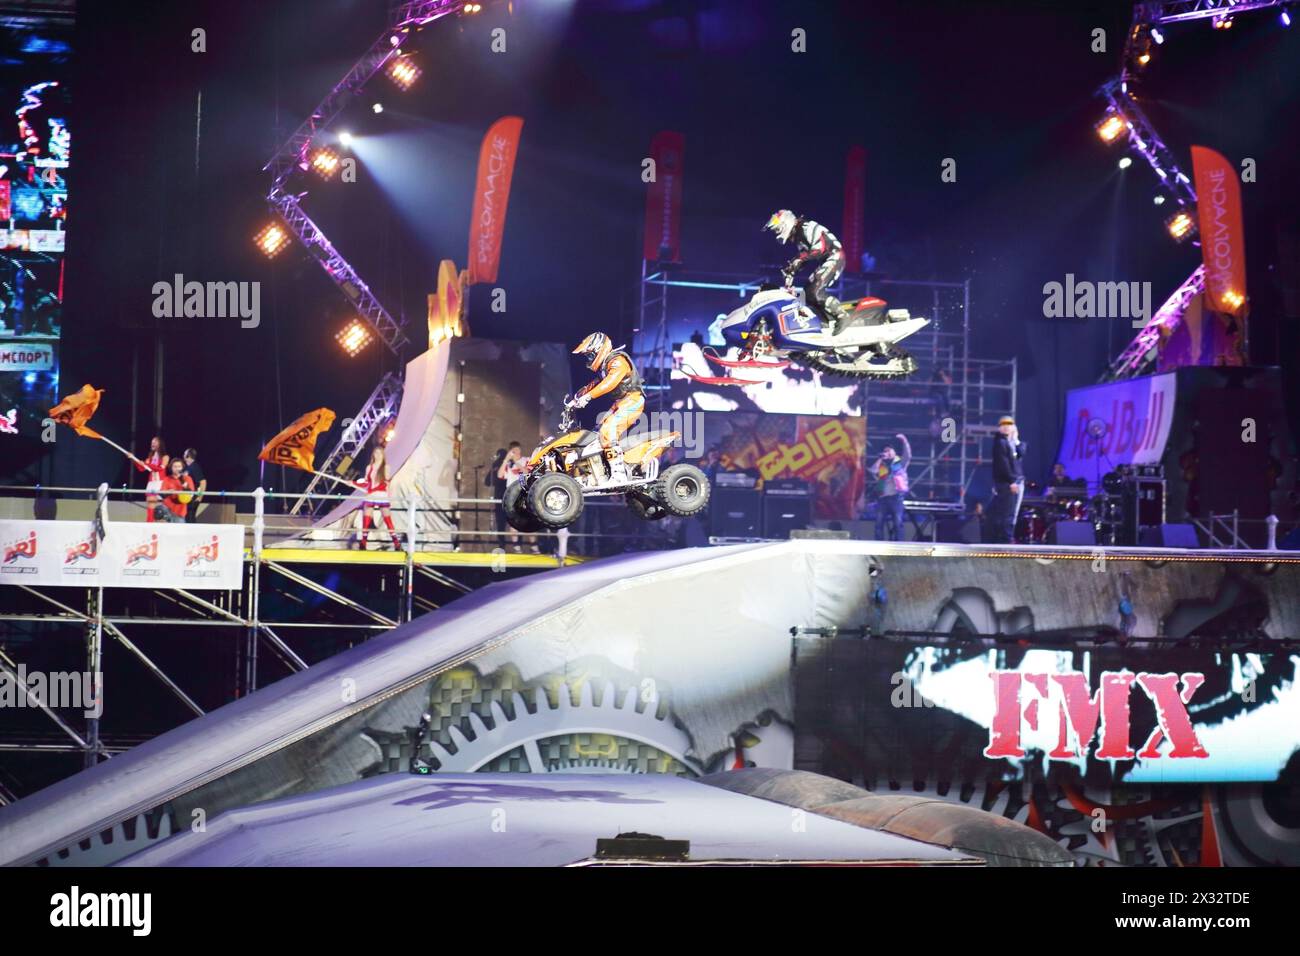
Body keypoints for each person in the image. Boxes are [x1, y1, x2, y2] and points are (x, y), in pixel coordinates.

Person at [570, 332, 644, 484]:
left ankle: (618, 474)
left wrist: (589, 397)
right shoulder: (605, 366)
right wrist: (576, 398)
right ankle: (598, 471)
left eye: (590, 355)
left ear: (599, 349)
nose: (589, 359)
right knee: (597, 432)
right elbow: (595, 384)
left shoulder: (618, 361)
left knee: (609, 429)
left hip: (633, 400)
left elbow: (610, 382)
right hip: (620, 403)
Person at [763, 209, 844, 328]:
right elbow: (805, 257)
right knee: (807, 294)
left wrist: (799, 259)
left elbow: (819, 248)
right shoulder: (798, 235)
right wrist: (792, 268)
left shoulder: (806, 227)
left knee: (815, 290)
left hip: (835, 256)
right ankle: (826, 321)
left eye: (777, 229)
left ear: (786, 224)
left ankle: (842, 315)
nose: (777, 233)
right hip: (826, 260)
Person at [354, 445, 401, 550]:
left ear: (383, 455)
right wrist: (353, 483)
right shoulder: (369, 467)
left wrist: (388, 497)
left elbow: (386, 483)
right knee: (366, 519)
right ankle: (363, 543)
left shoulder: (386, 467)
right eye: (376, 453)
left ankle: (396, 543)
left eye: (380, 453)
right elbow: (366, 483)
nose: (378, 455)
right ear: (373, 455)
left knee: (388, 520)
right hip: (370, 495)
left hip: (381, 495)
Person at [989, 415, 1026, 543]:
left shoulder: (1011, 443)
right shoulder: (1000, 442)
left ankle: (1008, 537)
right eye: (1003, 425)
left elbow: (1021, 452)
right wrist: (1011, 482)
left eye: (1009, 425)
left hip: (1018, 482)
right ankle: (1006, 539)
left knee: (1013, 513)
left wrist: (1015, 439)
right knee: (1007, 513)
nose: (1006, 427)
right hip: (1009, 483)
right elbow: (1003, 464)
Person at [497, 441, 538, 554]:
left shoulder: (526, 460)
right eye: (514, 451)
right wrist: (506, 460)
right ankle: (516, 548)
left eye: (518, 450)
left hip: (524, 494)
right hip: (512, 496)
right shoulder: (508, 464)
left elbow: (527, 472)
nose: (516, 453)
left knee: (529, 521)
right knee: (514, 522)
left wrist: (516, 462)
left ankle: (533, 547)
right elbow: (500, 475)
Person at [870, 433, 912, 541]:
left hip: (896, 497)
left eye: (889, 450)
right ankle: (878, 544)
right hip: (883, 498)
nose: (887, 452)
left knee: (898, 523)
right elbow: (873, 471)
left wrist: (904, 441)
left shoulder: (900, 463)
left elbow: (908, 456)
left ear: (894, 452)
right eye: (885, 451)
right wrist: (880, 459)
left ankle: (899, 545)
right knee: (879, 523)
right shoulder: (881, 465)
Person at [129, 436, 169, 522]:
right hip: (152, 484)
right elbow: (141, 468)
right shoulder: (150, 458)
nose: (152, 443)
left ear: (160, 444)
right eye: (152, 441)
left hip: (161, 483)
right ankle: (149, 526)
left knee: (164, 509)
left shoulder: (165, 457)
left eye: (155, 441)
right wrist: (133, 459)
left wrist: (146, 464)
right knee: (150, 508)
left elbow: (160, 469)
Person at [156, 457, 195, 523]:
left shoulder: (187, 479)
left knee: (178, 532)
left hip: (180, 512)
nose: (177, 468)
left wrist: (185, 488)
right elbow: (161, 495)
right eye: (175, 466)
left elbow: (191, 495)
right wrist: (168, 492)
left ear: (182, 467)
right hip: (167, 511)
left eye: (179, 466)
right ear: (171, 468)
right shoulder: (167, 479)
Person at [181, 448, 207, 523]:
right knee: (186, 517)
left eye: (184, 454)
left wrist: (200, 496)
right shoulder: (187, 467)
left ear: (188, 456)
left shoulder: (195, 467)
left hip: (194, 497)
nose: (183, 455)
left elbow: (203, 482)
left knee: (190, 517)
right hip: (186, 497)